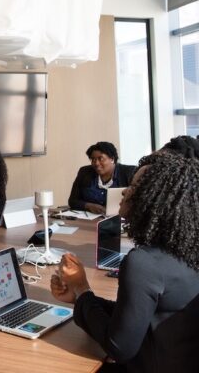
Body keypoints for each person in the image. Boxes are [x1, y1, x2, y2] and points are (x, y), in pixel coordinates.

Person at [52, 152, 199, 372]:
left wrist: (82, 289)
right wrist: (80, 297)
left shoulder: (144, 263)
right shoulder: (183, 251)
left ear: (153, 198)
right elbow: (137, 316)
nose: (125, 191)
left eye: (134, 186)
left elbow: (119, 347)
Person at [68, 142, 135, 214]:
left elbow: (139, 201)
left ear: (112, 159)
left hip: (121, 219)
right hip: (91, 220)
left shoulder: (129, 172)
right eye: (93, 159)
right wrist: (88, 206)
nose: (96, 163)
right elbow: (72, 201)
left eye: (101, 159)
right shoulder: (84, 172)